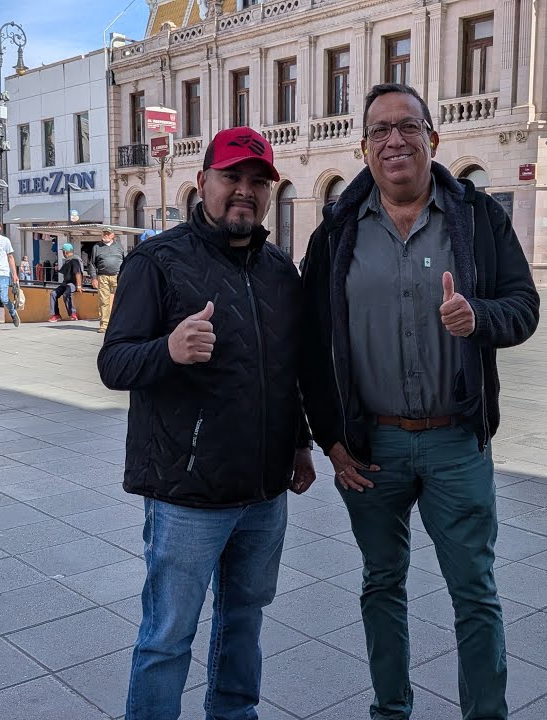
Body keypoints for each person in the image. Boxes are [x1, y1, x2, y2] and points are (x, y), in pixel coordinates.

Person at [300, 83, 540, 720]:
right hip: (370, 448)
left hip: (454, 440)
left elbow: (524, 309)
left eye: (407, 126)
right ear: (364, 148)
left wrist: (478, 318)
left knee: (475, 591)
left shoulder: (479, 218)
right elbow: (312, 344)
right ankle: (390, 709)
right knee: (382, 582)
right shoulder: (336, 233)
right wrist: (330, 438)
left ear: (433, 139)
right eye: (380, 130)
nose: (394, 140)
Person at [97, 127, 315, 719]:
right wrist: (167, 349)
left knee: (243, 627)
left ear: (269, 193)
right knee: (168, 637)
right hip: (186, 494)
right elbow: (113, 362)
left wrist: (299, 445)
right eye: (231, 178)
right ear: (203, 184)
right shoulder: (157, 261)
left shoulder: (278, 271)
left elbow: (287, 371)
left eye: (257, 181)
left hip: (265, 492)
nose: (244, 191)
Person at [92, 229, 125, 333]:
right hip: (103, 277)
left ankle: (120, 325)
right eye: (104, 233)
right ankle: (104, 325)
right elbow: (92, 264)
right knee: (103, 301)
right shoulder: (97, 247)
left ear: (112, 235)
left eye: (108, 234)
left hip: (117, 276)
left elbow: (125, 261)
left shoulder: (119, 246)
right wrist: (94, 278)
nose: (105, 235)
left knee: (120, 300)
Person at [49, 244, 83, 322]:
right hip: (66, 283)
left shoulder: (74, 260)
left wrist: (79, 286)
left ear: (65, 252)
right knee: (53, 293)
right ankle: (56, 315)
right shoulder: (68, 260)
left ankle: (73, 314)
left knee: (66, 293)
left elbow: (77, 273)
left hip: (73, 283)